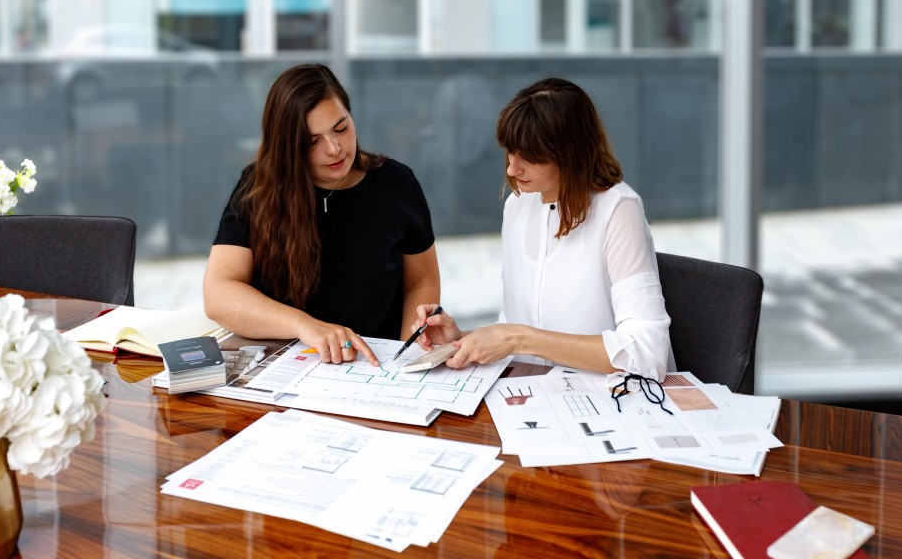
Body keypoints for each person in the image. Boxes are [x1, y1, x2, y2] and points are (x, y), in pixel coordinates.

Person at [414, 77, 673, 379]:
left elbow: (648, 352)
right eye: (510, 151)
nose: (512, 168)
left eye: (530, 157)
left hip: (611, 404)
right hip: (535, 397)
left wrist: (518, 338)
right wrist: (461, 339)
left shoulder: (618, 210)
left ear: (570, 153)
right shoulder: (518, 205)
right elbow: (514, 324)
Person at [204, 64, 440, 365]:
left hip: (372, 365)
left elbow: (421, 281)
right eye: (312, 141)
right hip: (288, 366)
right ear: (288, 147)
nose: (335, 148)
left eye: (341, 128)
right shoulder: (259, 188)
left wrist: (408, 353)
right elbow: (219, 292)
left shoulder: (397, 185)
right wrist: (305, 326)